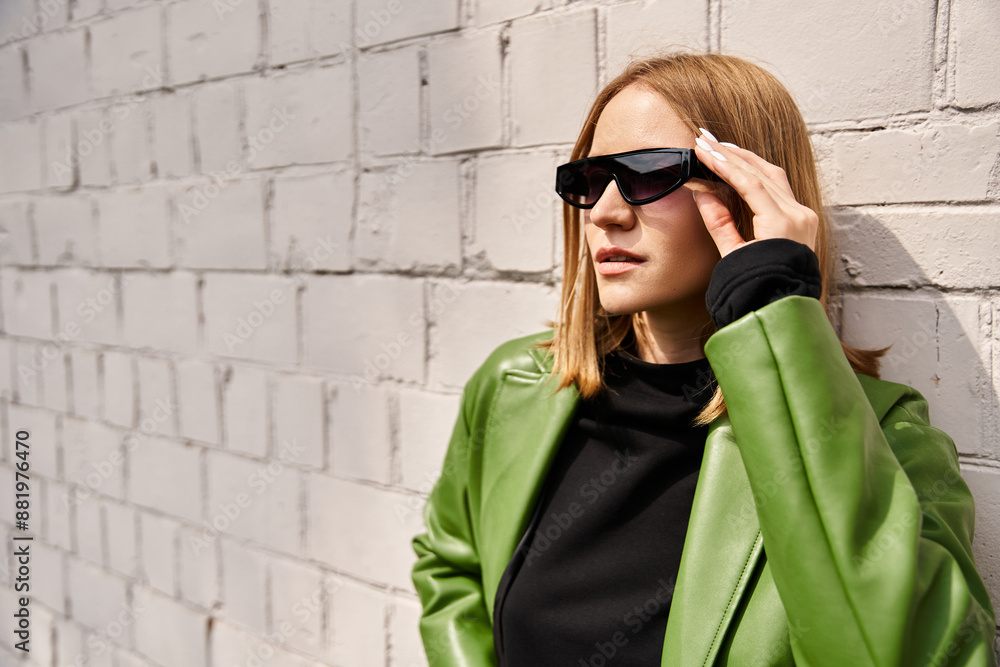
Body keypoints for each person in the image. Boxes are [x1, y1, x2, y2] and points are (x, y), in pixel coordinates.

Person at [410, 52, 997, 666]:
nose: (606, 212)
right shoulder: (517, 386)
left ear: (749, 194)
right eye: (590, 181)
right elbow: (450, 569)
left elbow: (902, 653)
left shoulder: (883, 438)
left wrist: (775, 312)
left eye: (647, 174)